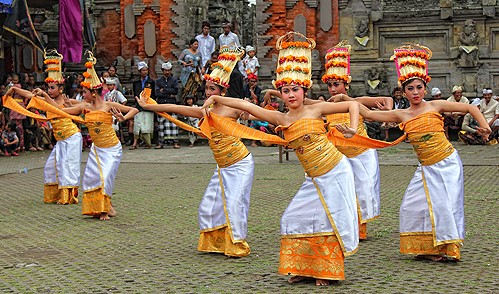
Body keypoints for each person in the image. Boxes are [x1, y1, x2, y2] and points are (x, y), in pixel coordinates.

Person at [202, 32, 360, 286]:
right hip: (314, 177)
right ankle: (303, 266)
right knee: (293, 218)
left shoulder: (315, 108)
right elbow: (249, 108)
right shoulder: (282, 118)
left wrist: (352, 129)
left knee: (327, 219)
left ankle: (326, 271)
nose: (290, 95)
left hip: (335, 170)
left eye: (294, 89)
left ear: (303, 88)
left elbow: (353, 106)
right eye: (285, 91)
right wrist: (218, 97)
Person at [354, 44, 491, 261]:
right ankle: (428, 247)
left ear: (425, 88)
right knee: (411, 206)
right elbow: (369, 113)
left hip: (446, 163)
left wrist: (485, 127)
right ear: (404, 91)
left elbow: (472, 109)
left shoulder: (435, 106)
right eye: (410, 89)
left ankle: (447, 249)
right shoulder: (401, 114)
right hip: (425, 167)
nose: (415, 92)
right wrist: (347, 102)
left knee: (444, 207)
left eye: (419, 87)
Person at [137, 45, 255, 257]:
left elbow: (259, 115)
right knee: (210, 206)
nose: (208, 93)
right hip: (222, 166)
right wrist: (150, 106)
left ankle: (236, 243)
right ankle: (216, 243)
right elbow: (174, 108)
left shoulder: (234, 107)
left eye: (213, 89)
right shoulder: (204, 112)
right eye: (207, 89)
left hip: (240, 162)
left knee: (235, 203)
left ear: (222, 91)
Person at [37, 52, 138, 220]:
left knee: (105, 177)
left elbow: (134, 109)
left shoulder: (108, 105)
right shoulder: (84, 107)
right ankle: (104, 206)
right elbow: (60, 110)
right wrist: (45, 97)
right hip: (97, 149)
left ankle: (104, 210)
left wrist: (123, 118)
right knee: (93, 178)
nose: (82, 95)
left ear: (93, 92)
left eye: (84, 92)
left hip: (112, 148)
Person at [320, 41, 394, 241]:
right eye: (330, 85)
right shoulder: (324, 105)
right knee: (339, 191)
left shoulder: (357, 102)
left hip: (361, 154)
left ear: (346, 85)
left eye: (337, 84)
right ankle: (339, 226)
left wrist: (388, 111)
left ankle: (359, 230)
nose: (333, 89)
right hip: (338, 158)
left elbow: (388, 100)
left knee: (361, 193)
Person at [6, 49, 83, 204]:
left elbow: (59, 108)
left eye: (52, 88)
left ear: (61, 89)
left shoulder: (67, 102)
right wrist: (14, 89)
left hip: (72, 137)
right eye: (48, 88)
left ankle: (69, 196)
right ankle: (55, 195)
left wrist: (45, 95)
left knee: (68, 166)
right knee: (51, 167)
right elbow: (29, 95)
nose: (49, 91)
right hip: (61, 140)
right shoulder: (47, 99)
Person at [155, 61, 180, 149]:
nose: (167, 72)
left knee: (173, 123)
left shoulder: (174, 80)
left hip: (172, 103)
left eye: (169, 70)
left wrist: (164, 90)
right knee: (161, 124)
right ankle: (161, 143)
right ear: (162, 70)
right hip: (162, 103)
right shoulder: (158, 81)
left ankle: (175, 142)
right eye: (165, 70)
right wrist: (169, 92)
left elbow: (176, 91)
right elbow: (157, 93)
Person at [131, 61, 156, 149]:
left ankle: (148, 143)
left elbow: (153, 94)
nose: (145, 72)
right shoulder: (136, 82)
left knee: (147, 124)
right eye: (143, 70)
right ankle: (135, 143)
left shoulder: (151, 82)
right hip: (138, 105)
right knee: (137, 124)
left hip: (148, 105)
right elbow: (135, 94)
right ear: (139, 72)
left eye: (146, 70)